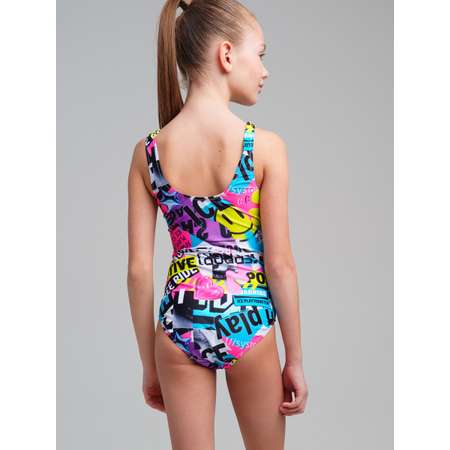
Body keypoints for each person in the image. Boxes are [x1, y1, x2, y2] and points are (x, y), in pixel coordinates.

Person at [127, 0, 308, 448]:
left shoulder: (148, 154)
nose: (264, 70)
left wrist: (150, 363)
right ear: (227, 54)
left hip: (179, 324)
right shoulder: (265, 148)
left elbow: (139, 271)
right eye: (259, 55)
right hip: (249, 322)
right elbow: (280, 264)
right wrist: (295, 359)